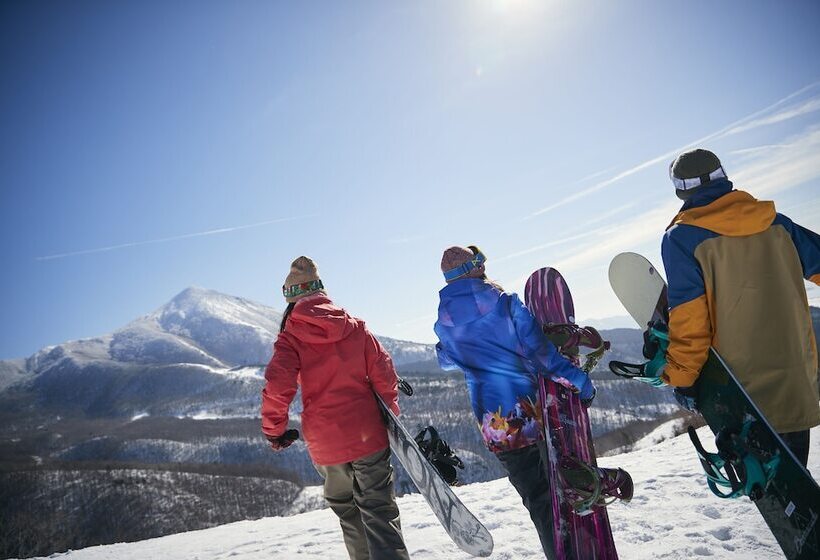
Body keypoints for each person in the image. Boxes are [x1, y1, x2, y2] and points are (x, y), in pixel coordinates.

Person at [654, 148, 820, 466]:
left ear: (681, 191)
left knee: (778, 494)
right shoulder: (777, 224)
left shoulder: (681, 238)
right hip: (795, 379)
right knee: (797, 492)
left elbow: (690, 320)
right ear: (724, 178)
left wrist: (683, 379)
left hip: (739, 393)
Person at [433, 245, 597, 560]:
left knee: (537, 500)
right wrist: (582, 384)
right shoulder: (506, 305)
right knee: (562, 488)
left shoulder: (444, 324)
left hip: (495, 424)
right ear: (475, 268)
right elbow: (544, 358)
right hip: (532, 412)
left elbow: (445, 360)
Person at [261, 256, 410, 560]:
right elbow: (383, 373)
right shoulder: (354, 327)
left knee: (349, 514)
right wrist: (391, 415)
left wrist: (274, 431)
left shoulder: (289, 340)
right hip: (368, 434)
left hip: (326, 443)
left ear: (290, 300)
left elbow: (278, 387)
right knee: (379, 512)